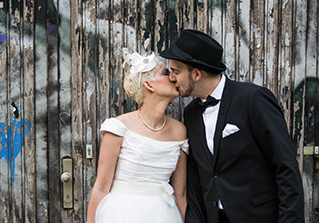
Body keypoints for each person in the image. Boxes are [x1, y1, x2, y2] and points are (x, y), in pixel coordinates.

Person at [160, 29, 304, 223]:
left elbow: (286, 166)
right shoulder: (191, 113)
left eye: (176, 71)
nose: (171, 78)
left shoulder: (253, 99)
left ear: (196, 74)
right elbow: (195, 180)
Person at [86, 49, 189, 223]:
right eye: (165, 73)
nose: (173, 77)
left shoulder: (179, 131)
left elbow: (181, 194)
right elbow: (101, 188)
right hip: (121, 213)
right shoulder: (119, 128)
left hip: (165, 214)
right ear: (149, 85)